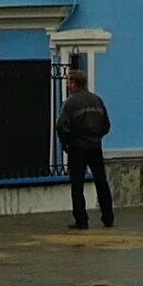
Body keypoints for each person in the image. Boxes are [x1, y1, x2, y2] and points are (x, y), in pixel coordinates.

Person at [55, 65, 114, 230]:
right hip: (95, 146)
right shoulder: (97, 100)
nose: (67, 85)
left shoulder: (71, 103)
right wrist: (96, 136)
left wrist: (66, 142)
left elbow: (60, 125)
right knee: (101, 181)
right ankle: (108, 217)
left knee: (77, 184)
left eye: (68, 82)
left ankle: (81, 219)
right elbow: (106, 125)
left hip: (78, 147)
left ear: (74, 83)